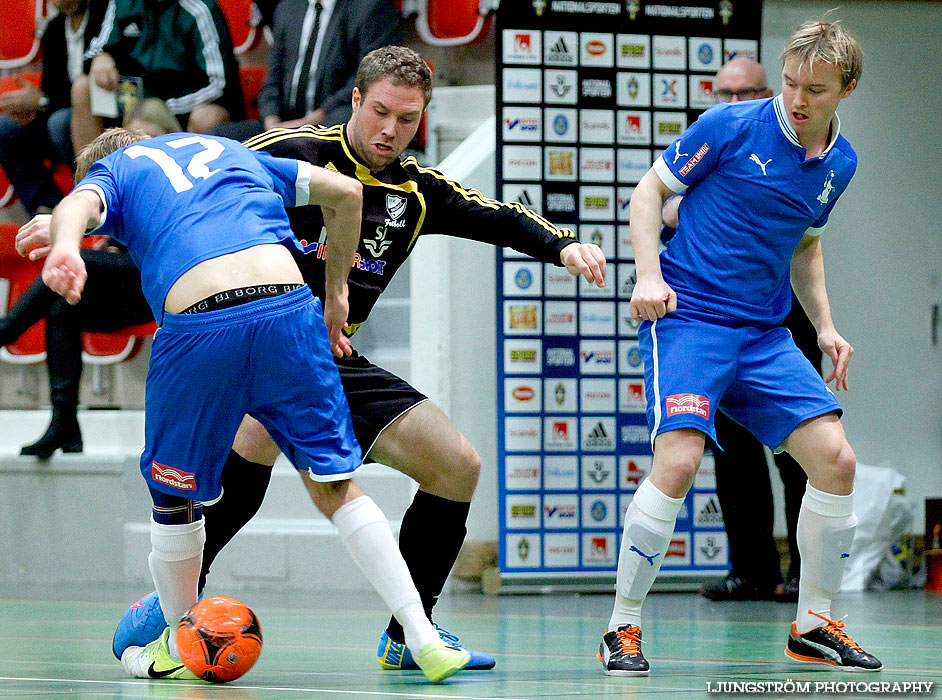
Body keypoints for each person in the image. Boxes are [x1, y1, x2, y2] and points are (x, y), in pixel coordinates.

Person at [111, 45, 607, 672]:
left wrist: (563, 247)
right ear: (354, 101)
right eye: (380, 112)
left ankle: (408, 635)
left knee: (456, 466)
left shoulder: (416, 191)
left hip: (329, 357)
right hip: (245, 336)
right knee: (240, 464)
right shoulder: (289, 154)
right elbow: (191, 197)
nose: (390, 131)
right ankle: (168, 615)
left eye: (407, 120)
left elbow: (496, 216)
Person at [22, 126, 470, 683]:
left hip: (202, 323)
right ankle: (421, 636)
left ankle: (174, 643)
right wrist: (335, 295)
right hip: (290, 310)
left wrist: (66, 244)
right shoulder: (232, 152)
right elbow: (349, 194)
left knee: (174, 496)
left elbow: (79, 203)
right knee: (336, 487)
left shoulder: (119, 171)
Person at [599, 20, 882, 675]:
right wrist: (648, 274)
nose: (797, 99)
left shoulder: (841, 162)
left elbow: (804, 244)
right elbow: (650, 193)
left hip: (763, 332)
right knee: (678, 462)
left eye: (815, 89)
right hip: (690, 317)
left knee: (836, 462)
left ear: (847, 88)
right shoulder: (729, 126)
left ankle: (814, 626)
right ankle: (621, 627)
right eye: (789, 83)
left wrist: (828, 325)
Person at [662, 57, 811, 604]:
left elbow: (802, 238)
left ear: (768, 92)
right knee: (732, 451)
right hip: (715, 319)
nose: (730, 103)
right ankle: (750, 568)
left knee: (799, 449)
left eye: (743, 92)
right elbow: (664, 211)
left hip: (778, 315)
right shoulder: (709, 144)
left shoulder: (796, 150)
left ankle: (802, 573)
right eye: (722, 94)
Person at [5, 100, 179, 458]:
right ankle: (64, 424)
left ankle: (7, 328)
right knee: (61, 309)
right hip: (131, 288)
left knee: (77, 255)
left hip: (168, 284)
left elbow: (158, 256)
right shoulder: (125, 182)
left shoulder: (178, 182)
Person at [70, 0, 244, 153]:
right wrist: (101, 57)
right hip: (133, 101)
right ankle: (92, 183)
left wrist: (160, 110)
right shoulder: (122, 3)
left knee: (207, 118)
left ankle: (196, 186)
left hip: (184, 106)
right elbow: (95, 49)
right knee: (82, 88)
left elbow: (218, 84)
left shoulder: (199, 8)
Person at [214, 0, 402, 141]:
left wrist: (314, 118)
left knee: (340, 125)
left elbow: (370, 79)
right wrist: (272, 123)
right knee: (218, 136)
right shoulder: (287, 8)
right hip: (287, 122)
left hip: (333, 118)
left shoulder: (373, 8)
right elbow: (273, 79)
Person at [0, 0, 106, 218]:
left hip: (101, 119)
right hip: (59, 116)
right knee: (5, 129)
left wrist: (41, 101)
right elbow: (50, 92)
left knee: (60, 122)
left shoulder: (105, 19)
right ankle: (47, 206)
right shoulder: (54, 29)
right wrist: (34, 107)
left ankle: (93, 204)